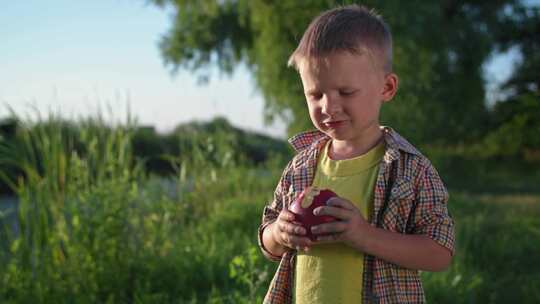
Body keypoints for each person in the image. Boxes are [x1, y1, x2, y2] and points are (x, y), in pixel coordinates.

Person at [257, 4, 455, 304]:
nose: (329, 106)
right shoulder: (300, 166)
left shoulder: (410, 169)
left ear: (386, 88)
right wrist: (279, 234)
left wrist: (365, 236)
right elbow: (268, 241)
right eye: (315, 94)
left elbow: (440, 253)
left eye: (346, 92)